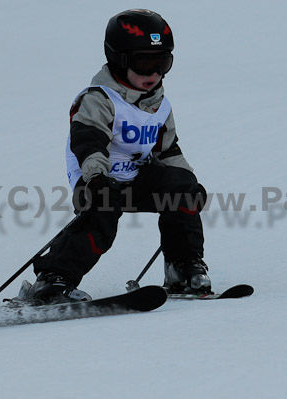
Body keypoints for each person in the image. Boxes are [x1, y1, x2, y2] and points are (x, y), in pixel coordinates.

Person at [24, 9, 212, 303]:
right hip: (97, 181)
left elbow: (169, 150)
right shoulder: (98, 100)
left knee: (183, 190)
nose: (154, 74)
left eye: (162, 63)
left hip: (138, 180)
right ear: (119, 59)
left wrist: (191, 182)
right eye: (144, 63)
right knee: (101, 215)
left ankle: (182, 268)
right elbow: (88, 142)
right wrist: (97, 178)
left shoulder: (159, 106)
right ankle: (53, 280)